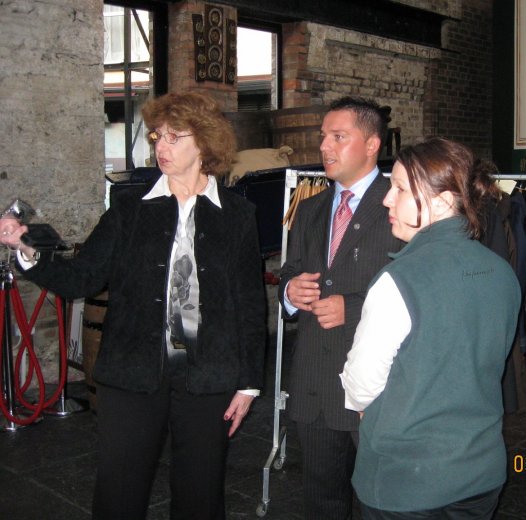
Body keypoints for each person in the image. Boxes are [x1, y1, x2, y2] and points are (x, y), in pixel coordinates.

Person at [0, 91, 266, 520]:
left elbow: (249, 302)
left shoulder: (237, 214)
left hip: (209, 373)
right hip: (132, 370)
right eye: (158, 136)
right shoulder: (129, 209)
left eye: (175, 137)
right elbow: (83, 277)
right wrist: (27, 250)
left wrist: (249, 382)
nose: (161, 146)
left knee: (201, 493)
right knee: (119, 491)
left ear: (205, 142)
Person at [340, 137, 521, 520]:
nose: (386, 200)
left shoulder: (398, 280)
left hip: (407, 484)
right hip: (481, 473)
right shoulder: (502, 272)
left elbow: (361, 384)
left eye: (400, 189)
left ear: (441, 202)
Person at [278, 96, 403, 519]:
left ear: (371, 145)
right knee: (321, 501)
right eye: (323, 137)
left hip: (377, 390)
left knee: (381, 502)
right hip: (315, 384)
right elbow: (290, 270)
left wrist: (353, 307)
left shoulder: (398, 205)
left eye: (338, 137)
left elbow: (417, 290)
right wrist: (290, 291)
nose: (324, 147)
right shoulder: (310, 209)